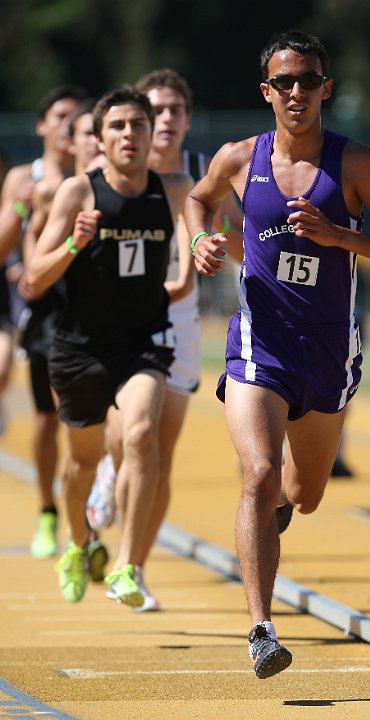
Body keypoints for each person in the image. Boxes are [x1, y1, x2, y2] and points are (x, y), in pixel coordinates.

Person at [185, 29, 370, 678]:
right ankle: (260, 628)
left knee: (303, 493)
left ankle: (280, 507)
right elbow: (199, 200)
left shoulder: (355, 164)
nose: (296, 92)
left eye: (308, 81)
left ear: (326, 89)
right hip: (259, 346)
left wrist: (340, 235)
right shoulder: (239, 157)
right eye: (284, 82)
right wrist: (200, 242)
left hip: (328, 354)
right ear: (266, 92)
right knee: (256, 472)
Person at [27, 85, 194, 606]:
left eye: (137, 125)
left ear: (150, 135)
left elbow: (204, 232)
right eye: (117, 126)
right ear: (99, 139)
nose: (130, 134)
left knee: (143, 432)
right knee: (79, 466)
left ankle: (126, 565)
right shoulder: (78, 192)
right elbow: (33, 278)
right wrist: (76, 242)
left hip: (142, 342)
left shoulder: (173, 188)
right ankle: (77, 544)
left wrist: (191, 267)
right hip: (79, 349)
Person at [86, 68, 243, 611]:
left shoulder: (204, 174)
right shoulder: (107, 173)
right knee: (128, 439)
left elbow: (246, 241)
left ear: (187, 119)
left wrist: (229, 245)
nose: (168, 120)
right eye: (159, 111)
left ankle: (134, 568)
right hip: (115, 324)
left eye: (177, 110)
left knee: (159, 452)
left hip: (177, 319)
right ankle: (111, 470)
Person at [0, 85, 89, 559]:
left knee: (88, 412)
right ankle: (48, 509)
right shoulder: (22, 178)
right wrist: (24, 207)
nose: (69, 126)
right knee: (46, 417)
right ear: (42, 125)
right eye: (60, 116)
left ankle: (87, 503)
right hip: (44, 308)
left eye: (78, 118)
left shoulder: (95, 174)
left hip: (92, 302)